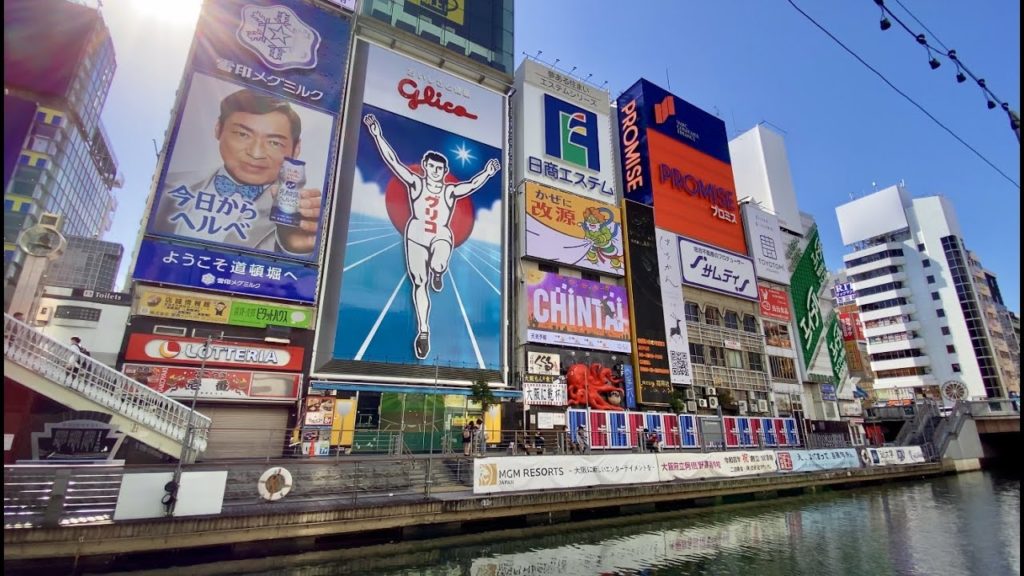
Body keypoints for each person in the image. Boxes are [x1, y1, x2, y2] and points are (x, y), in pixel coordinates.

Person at [363, 113, 501, 360]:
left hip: (439, 234)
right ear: (425, 167)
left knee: (439, 257)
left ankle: (439, 270)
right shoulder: (416, 184)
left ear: (444, 170)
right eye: (431, 167)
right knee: (418, 283)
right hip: (415, 233)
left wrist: (488, 173)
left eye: (439, 168)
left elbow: (470, 185)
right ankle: (423, 330)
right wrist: (376, 134)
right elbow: (393, 161)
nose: (435, 171)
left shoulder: (449, 191)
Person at [151, 88, 322, 256]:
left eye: (274, 143)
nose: (256, 154)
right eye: (242, 134)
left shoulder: (299, 214)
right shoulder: (169, 186)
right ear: (218, 129)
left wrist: (293, 249)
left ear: (296, 148)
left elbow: (295, 276)